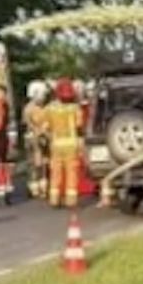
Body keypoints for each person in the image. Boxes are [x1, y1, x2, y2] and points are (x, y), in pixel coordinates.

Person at [45, 78, 83, 208]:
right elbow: (79, 124)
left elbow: (45, 127)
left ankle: (54, 199)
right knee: (71, 173)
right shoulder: (74, 108)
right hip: (71, 144)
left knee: (56, 172)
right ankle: (71, 200)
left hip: (56, 144)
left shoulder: (50, 108)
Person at [22, 80, 50, 198]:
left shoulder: (45, 107)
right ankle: (35, 187)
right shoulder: (29, 109)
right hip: (33, 138)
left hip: (44, 137)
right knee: (34, 164)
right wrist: (38, 131)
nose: (43, 97)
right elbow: (28, 124)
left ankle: (43, 186)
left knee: (44, 163)